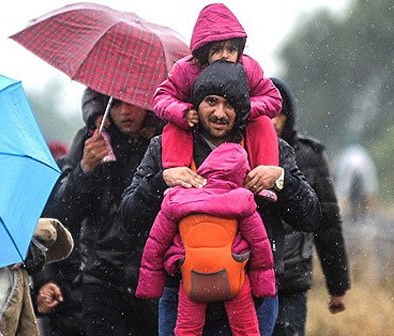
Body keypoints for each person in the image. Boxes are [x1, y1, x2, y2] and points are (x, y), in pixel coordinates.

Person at [121, 61, 321, 336]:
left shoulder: (271, 149)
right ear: (195, 105)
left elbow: (311, 215)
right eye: (211, 102)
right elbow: (130, 217)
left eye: (229, 104)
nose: (219, 113)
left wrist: (282, 181)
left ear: (242, 108)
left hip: (251, 294)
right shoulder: (164, 147)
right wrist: (160, 181)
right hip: (182, 291)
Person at [45, 87, 162, 336]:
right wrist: (85, 169)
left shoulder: (162, 141)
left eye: (133, 102)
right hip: (101, 277)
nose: (125, 111)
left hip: (152, 274)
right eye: (116, 103)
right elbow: (63, 215)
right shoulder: (92, 139)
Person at [137, 142, 276, 336]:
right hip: (234, 275)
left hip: (192, 276)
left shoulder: (177, 198)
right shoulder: (242, 199)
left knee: (186, 328)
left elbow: (155, 244)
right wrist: (264, 287)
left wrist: (149, 286)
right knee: (246, 329)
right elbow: (260, 245)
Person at [153, 2, 282, 202]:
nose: (225, 55)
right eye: (217, 49)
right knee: (174, 126)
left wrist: (245, 110)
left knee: (263, 122)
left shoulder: (249, 68)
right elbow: (161, 98)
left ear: (239, 51)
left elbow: (273, 99)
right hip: (194, 125)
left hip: (242, 127)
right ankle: (177, 175)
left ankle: (263, 178)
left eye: (231, 49)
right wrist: (182, 112)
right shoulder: (186, 70)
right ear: (204, 52)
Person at [269, 77, 350, 336]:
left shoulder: (310, 157)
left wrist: (337, 286)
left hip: (291, 281)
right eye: (266, 112)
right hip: (247, 281)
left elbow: (328, 226)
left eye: (279, 113)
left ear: (288, 116)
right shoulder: (238, 151)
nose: (272, 121)